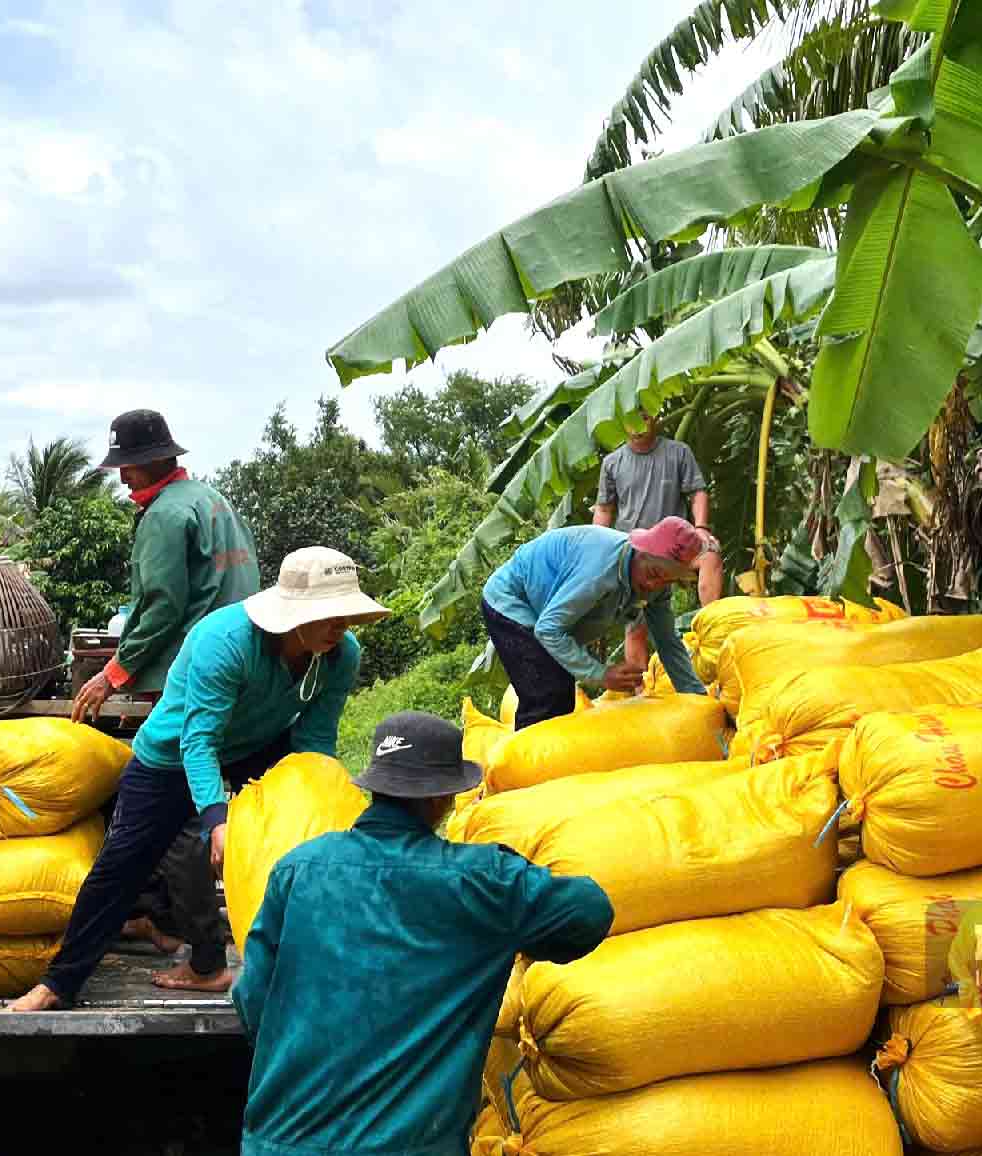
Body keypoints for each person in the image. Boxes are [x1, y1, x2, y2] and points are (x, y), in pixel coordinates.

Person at [7, 547, 389, 1012]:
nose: (341, 625)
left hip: (259, 743)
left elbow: (315, 740)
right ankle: (59, 983)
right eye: (330, 614)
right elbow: (199, 741)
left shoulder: (340, 655)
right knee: (122, 864)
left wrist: (317, 808)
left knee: (300, 847)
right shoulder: (225, 641)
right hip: (172, 751)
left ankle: (297, 968)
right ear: (296, 613)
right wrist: (216, 820)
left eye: (347, 614)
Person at [231, 712, 613, 1156]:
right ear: (444, 799)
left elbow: (251, 1000)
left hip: (280, 1143)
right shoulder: (481, 883)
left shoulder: (298, 869)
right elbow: (589, 912)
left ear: (373, 786)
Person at [72, 407, 260, 993]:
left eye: (126, 470)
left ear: (147, 464)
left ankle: (204, 955)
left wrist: (113, 674)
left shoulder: (163, 517)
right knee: (191, 801)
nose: (124, 481)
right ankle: (162, 918)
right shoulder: (212, 500)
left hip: (189, 675)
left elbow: (160, 606)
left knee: (170, 812)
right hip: (237, 670)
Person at [481, 517, 711, 730]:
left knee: (560, 695)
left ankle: (546, 764)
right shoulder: (600, 570)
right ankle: (524, 767)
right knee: (547, 693)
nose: (654, 584)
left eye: (666, 580)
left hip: (547, 616)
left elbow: (668, 643)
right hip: (510, 601)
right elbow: (548, 629)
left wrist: (698, 699)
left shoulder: (657, 587)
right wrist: (601, 674)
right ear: (640, 551)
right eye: (653, 573)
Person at [592, 414, 723, 671]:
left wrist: (701, 528)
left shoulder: (678, 453)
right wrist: (596, 547)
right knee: (636, 623)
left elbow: (697, 492)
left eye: (644, 416)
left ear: (655, 416)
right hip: (635, 554)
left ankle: (715, 631)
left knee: (711, 554)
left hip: (677, 548)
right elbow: (605, 509)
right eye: (631, 418)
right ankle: (640, 689)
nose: (638, 425)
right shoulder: (612, 462)